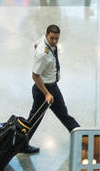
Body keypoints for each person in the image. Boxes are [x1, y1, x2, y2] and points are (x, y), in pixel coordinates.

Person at [27, 24, 80, 152]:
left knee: (63, 113)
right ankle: (21, 144)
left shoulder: (45, 42)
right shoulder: (42, 54)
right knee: (34, 120)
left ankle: (80, 136)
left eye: (57, 38)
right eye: (52, 38)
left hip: (53, 87)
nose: (54, 41)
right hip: (43, 91)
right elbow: (35, 76)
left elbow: (36, 44)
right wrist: (46, 93)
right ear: (47, 35)